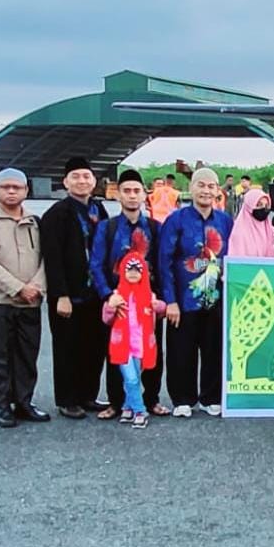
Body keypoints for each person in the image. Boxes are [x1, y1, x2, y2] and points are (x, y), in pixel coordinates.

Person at [0, 168, 50, 428]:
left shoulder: (35, 222)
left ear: (26, 191)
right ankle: (4, 406)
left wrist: (36, 287)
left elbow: (44, 260)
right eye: (5, 187)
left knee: (27, 355)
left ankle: (25, 402)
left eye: (17, 187)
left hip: (30, 302)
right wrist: (18, 288)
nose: (11, 191)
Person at [90, 169, 170, 418]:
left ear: (145, 194)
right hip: (120, 302)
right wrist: (107, 295)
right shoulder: (108, 228)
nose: (132, 196)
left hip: (148, 302)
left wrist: (163, 299)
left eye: (137, 191)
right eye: (127, 191)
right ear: (118, 195)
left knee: (151, 350)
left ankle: (151, 399)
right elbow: (96, 264)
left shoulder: (156, 228)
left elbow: (163, 265)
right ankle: (116, 401)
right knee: (117, 351)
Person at [159, 168, 233, 417]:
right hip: (183, 299)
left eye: (211, 186)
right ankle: (183, 398)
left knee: (214, 349)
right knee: (181, 350)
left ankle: (210, 397)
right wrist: (170, 300)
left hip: (215, 299)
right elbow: (164, 262)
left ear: (217, 190)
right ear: (190, 188)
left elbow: (235, 255)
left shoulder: (225, 221)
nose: (206, 191)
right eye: (201, 185)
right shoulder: (176, 220)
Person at [42, 156, 111, 420]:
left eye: (86, 176)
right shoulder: (57, 214)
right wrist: (60, 295)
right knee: (67, 347)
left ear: (94, 181)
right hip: (69, 294)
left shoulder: (98, 210)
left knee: (93, 347)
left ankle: (87, 394)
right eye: (76, 177)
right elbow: (53, 258)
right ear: (66, 182)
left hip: (96, 293)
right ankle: (68, 399)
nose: (82, 181)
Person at [101, 252, 166, 429]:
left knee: (135, 377)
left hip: (142, 345)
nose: (133, 273)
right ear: (122, 271)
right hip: (122, 345)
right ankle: (140, 411)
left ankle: (127, 406)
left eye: (138, 270)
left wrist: (158, 306)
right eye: (129, 269)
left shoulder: (149, 295)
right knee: (130, 378)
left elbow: (161, 310)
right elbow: (106, 319)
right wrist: (110, 306)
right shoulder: (117, 294)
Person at [228, 188, 274, 259]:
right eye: (259, 205)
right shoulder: (239, 233)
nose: (263, 208)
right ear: (249, 207)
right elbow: (236, 263)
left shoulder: (273, 232)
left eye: (266, 205)